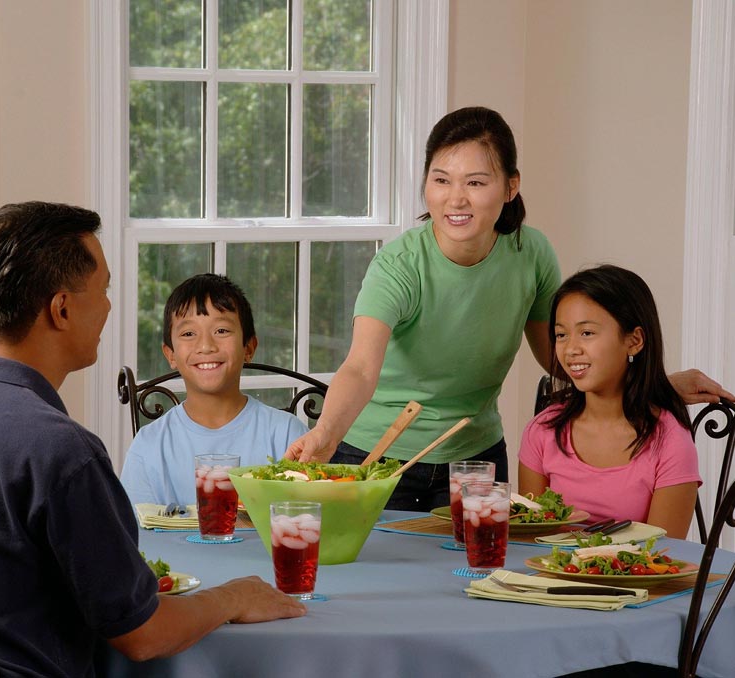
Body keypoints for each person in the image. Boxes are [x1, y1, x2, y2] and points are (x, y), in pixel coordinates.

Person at [0, 202, 304, 676]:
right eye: (103, 290)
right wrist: (234, 595)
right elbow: (145, 634)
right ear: (61, 308)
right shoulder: (60, 451)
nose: (106, 306)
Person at [285, 106, 733, 512]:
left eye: (475, 182)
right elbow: (361, 369)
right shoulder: (399, 267)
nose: (455, 199)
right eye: (441, 180)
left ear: (510, 186)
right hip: (375, 455)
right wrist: (326, 436)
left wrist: (653, 382)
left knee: (479, 587)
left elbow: (560, 356)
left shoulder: (531, 252)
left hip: (475, 459)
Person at [517, 265, 703, 539]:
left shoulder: (670, 442)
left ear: (634, 341)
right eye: (561, 334)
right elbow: (528, 540)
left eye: (587, 333)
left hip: (635, 581)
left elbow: (664, 555)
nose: (571, 349)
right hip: (547, 579)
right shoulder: (542, 431)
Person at [119, 273, 308, 506]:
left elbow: (306, 519)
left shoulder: (287, 435)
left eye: (221, 331)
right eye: (189, 334)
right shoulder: (149, 445)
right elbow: (134, 536)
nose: (206, 346)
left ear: (249, 347)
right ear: (171, 355)